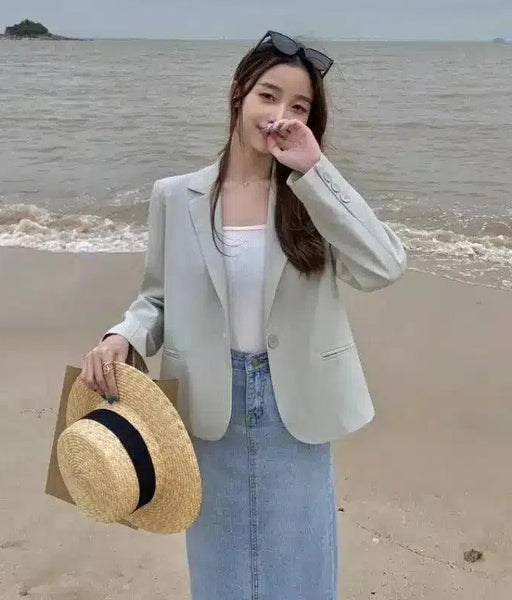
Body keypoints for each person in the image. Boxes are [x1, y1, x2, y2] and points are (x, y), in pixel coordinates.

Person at [81, 30, 407, 600]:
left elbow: (383, 266)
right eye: (268, 96)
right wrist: (121, 336)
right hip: (209, 401)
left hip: (296, 402)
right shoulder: (174, 196)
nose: (280, 115)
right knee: (221, 571)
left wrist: (314, 170)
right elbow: (156, 298)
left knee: (301, 569)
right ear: (238, 93)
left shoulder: (311, 198)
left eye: (299, 107)